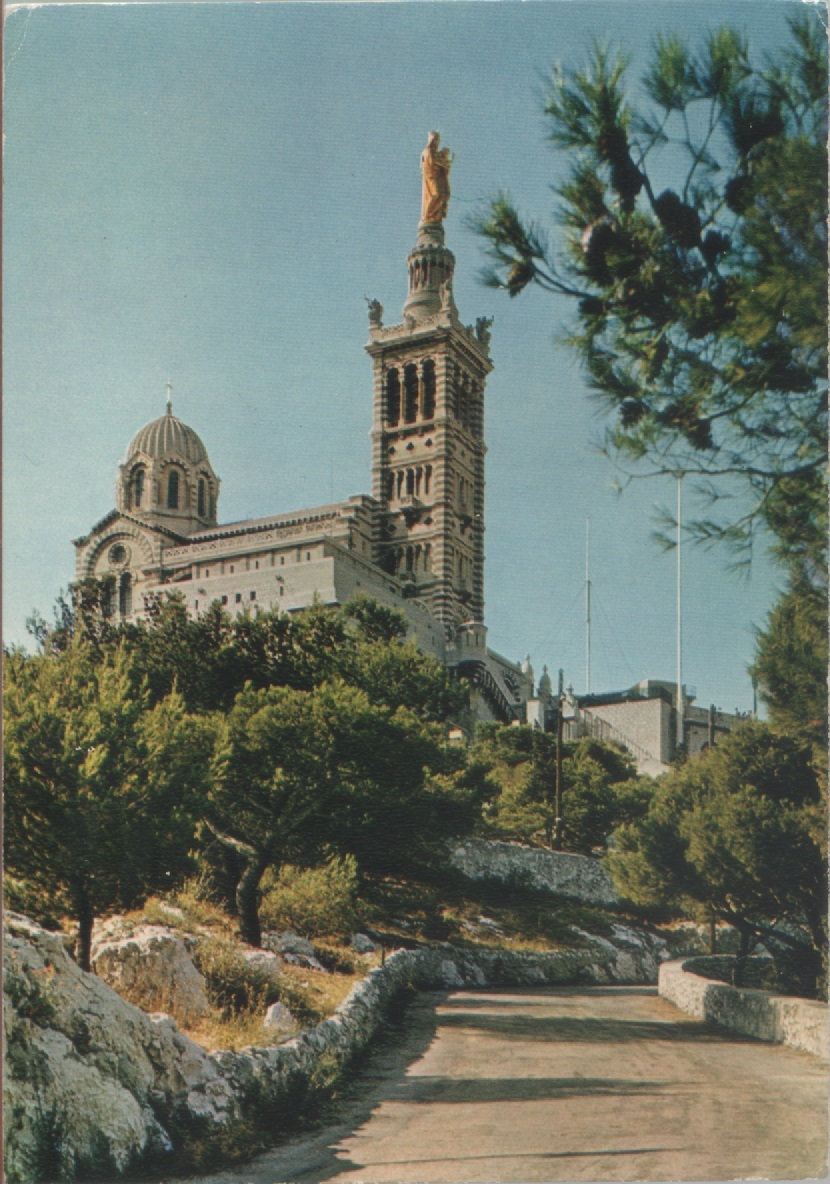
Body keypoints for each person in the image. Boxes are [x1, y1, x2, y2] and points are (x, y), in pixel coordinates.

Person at [420, 131, 454, 223]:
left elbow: (444, 169)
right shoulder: (428, 150)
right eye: (435, 140)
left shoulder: (437, 153)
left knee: (444, 195)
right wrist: (443, 163)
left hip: (439, 178)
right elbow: (430, 161)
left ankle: (436, 215)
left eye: (437, 140)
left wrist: (446, 165)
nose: (436, 142)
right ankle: (427, 216)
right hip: (432, 177)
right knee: (436, 194)